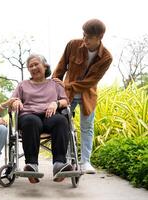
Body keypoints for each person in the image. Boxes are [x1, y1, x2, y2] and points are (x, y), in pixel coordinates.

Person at [52, 19, 113, 174]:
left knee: (87, 127)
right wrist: (53, 87)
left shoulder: (106, 57)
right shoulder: (73, 45)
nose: (84, 40)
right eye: (84, 35)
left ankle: (85, 161)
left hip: (88, 95)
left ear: (100, 37)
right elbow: (60, 68)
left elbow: (91, 81)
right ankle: (65, 160)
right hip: (67, 95)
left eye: (89, 37)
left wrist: (67, 85)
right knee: (63, 125)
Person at [11, 53, 72, 184]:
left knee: (61, 120)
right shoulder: (23, 85)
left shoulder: (55, 84)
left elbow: (65, 101)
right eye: (30, 66)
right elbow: (13, 100)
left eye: (36, 64)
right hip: (29, 116)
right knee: (31, 121)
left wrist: (56, 103)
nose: (33, 68)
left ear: (45, 66)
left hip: (50, 115)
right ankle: (32, 166)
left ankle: (59, 165)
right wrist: (15, 102)